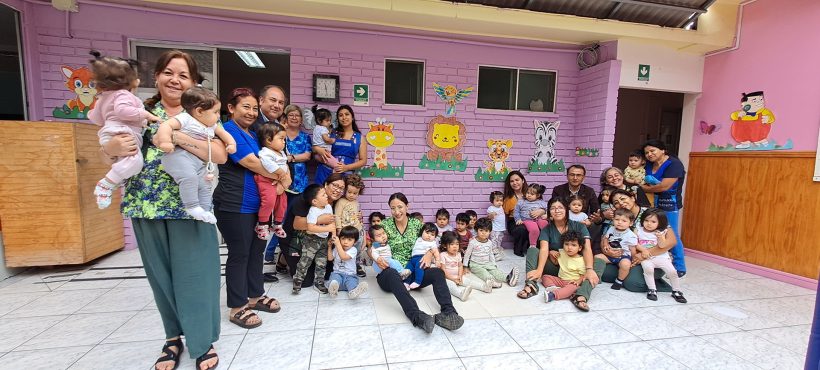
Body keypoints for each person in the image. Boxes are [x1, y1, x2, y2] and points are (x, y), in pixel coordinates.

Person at [104, 50, 222, 370]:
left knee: (198, 277)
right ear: (156, 76)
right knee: (162, 278)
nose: (175, 80)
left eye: (184, 75)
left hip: (192, 206)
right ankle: (173, 338)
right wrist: (112, 148)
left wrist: (176, 134)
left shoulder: (202, 113)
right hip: (148, 204)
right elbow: (113, 151)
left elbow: (221, 154)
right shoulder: (137, 112)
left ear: (194, 83)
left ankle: (201, 340)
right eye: (169, 72)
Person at [213, 87, 281, 332]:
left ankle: (255, 296)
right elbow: (251, 162)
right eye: (246, 107)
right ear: (231, 108)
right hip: (234, 204)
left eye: (254, 108)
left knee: (256, 251)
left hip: (255, 206)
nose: (252, 112)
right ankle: (236, 306)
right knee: (240, 253)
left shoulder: (252, 134)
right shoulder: (229, 130)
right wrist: (281, 176)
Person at [379, 193, 464, 333]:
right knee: (391, 273)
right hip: (392, 273)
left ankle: (449, 313)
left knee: (437, 272)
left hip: (415, 271)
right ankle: (418, 317)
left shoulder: (417, 224)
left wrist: (429, 254)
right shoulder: (385, 225)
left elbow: (431, 241)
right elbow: (372, 247)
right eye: (392, 208)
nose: (397, 211)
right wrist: (375, 257)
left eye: (400, 207)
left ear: (407, 206)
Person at [88, 51, 160, 209]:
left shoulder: (104, 97)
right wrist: (145, 115)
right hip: (121, 133)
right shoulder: (123, 95)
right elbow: (122, 111)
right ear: (134, 82)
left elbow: (96, 118)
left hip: (109, 131)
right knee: (134, 163)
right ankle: (106, 185)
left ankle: (110, 184)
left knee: (127, 164)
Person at [156, 87, 237, 224]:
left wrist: (231, 144)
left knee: (204, 184)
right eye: (215, 112)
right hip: (178, 156)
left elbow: (225, 135)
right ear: (199, 111)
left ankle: (205, 210)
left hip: (198, 161)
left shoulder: (211, 124)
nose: (218, 116)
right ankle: (192, 206)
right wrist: (164, 141)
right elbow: (165, 126)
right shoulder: (185, 119)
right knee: (189, 178)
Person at [518, 197, 602, 312]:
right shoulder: (547, 229)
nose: (557, 211)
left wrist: (589, 269)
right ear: (549, 212)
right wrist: (539, 270)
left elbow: (587, 248)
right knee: (533, 250)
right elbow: (543, 249)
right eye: (553, 208)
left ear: (566, 209)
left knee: (599, 263)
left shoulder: (579, 226)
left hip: (576, 269)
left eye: (560, 207)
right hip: (556, 266)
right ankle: (531, 285)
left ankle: (580, 295)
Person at [264, 104, 312, 276]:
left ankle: (283, 255)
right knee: (281, 220)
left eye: (297, 115)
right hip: (281, 183)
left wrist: (289, 158)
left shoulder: (305, 137)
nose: (294, 118)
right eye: (291, 115)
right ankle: (270, 253)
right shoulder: (279, 133)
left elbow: (307, 156)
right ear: (286, 117)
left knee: (293, 222)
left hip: (300, 183)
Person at [604, 189, 674, 293]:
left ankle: (657, 284)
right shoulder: (618, 216)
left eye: (623, 198)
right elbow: (605, 237)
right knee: (604, 274)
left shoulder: (650, 213)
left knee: (633, 284)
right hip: (626, 257)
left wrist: (642, 255)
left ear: (633, 198)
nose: (621, 203)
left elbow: (671, 241)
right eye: (616, 202)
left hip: (653, 257)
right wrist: (607, 250)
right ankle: (631, 275)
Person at [282, 175, 347, 286]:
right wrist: (320, 219)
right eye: (335, 185)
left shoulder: (337, 203)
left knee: (327, 275)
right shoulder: (307, 198)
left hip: (319, 241)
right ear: (326, 184)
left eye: (342, 188)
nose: (338, 190)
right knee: (306, 282)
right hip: (295, 240)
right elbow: (296, 224)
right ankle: (282, 258)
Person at [640, 139, 688, 277]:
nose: (649, 154)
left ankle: (680, 266)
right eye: (647, 152)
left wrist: (642, 188)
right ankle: (657, 260)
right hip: (652, 202)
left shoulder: (674, 164)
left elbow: (664, 186)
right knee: (651, 231)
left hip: (669, 204)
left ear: (663, 150)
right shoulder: (648, 163)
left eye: (652, 151)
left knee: (671, 233)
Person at [635, 208, 687, 303]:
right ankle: (652, 289)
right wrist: (643, 250)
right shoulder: (639, 230)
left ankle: (676, 291)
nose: (649, 224)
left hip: (662, 257)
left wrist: (660, 238)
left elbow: (662, 246)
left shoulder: (662, 232)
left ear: (660, 222)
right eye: (646, 220)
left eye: (653, 221)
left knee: (672, 271)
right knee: (648, 270)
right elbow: (634, 243)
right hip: (647, 258)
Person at [292, 184, 336, 294]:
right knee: (305, 261)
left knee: (322, 263)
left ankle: (319, 282)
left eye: (326, 194)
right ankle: (298, 280)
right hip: (311, 240)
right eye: (323, 195)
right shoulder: (313, 211)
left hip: (324, 241)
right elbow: (311, 227)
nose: (327, 196)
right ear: (315, 201)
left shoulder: (328, 207)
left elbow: (332, 222)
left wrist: (333, 234)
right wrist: (327, 228)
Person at [253, 123, 291, 240]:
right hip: (266, 181)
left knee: (283, 202)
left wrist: (283, 178)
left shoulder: (281, 153)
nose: (284, 142)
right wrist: (281, 173)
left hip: (279, 181)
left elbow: (285, 165)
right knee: (269, 201)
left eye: (284, 139)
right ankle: (262, 224)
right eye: (281, 138)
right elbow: (268, 164)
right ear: (269, 140)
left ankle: (278, 223)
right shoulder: (266, 152)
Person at [313, 105, 367, 185]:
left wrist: (346, 167)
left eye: (347, 114)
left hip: (346, 176)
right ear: (338, 119)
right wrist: (318, 150)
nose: (344, 117)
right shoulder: (330, 133)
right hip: (325, 173)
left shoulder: (360, 138)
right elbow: (314, 148)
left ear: (352, 117)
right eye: (340, 115)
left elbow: (363, 161)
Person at [464, 217, 519, 288]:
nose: (483, 233)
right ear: (476, 230)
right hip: (475, 265)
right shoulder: (473, 242)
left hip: (487, 263)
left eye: (486, 231)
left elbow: (491, 254)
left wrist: (494, 264)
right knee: (484, 273)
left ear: (490, 232)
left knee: (496, 271)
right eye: (481, 230)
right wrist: (465, 266)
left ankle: (508, 278)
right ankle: (491, 281)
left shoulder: (489, 243)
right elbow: (467, 255)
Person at [439, 231, 487, 301]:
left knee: (469, 281)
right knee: (450, 286)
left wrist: (460, 276)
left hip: (457, 276)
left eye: (457, 244)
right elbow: (443, 270)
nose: (455, 246)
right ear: (444, 245)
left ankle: (483, 287)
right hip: (447, 277)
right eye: (452, 244)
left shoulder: (458, 254)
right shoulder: (443, 255)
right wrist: (452, 279)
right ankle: (460, 294)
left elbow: (460, 266)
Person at [335, 174, 367, 277]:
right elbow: (337, 216)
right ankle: (342, 266)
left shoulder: (356, 202)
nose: (352, 195)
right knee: (346, 249)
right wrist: (339, 229)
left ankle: (356, 265)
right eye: (349, 192)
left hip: (357, 231)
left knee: (357, 250)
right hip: (346, 232)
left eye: (355, 193)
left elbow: (357, 216)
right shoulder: (341, 201)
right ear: (345, 190)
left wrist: (360, 217)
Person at [541, 231, 586, 304]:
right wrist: (551, 253)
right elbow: (556, 262)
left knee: (573, 288)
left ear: (580, 248)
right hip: (560, 280)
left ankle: (553, 295)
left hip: (572, 282)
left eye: (573, 245)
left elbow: (583, 275)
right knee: (545, 277)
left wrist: (578, 282)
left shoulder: (581, 260)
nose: (569, 247)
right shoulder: (562, 253)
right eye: (566, 244)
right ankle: (552, 287)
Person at [600, 208, 638, 290]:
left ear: (630, 223)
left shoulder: (631, 235)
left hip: (623, 256)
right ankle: (596, 275)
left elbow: (633, 249)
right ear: (613, 219)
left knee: (625, 265)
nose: (619, 222)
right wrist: (606, 245)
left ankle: (619, 281)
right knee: (597, 257)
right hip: (609, 255)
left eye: (624, 221)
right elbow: (606, 238)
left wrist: (633, 260)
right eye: (617, 219)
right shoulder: (611, 228)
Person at [327, 226, 369, 298]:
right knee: (334, 280)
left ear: (355, 242)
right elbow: (330, 258)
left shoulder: (353, 250)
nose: (345, 242)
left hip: (350, 275)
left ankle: (353, 292)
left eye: (349, 240)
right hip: (338, 274)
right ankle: (333, 290)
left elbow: (344, 257)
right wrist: (330, 246)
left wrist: (337, 244)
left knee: (352, 282)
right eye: (343, 239)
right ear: (339, 239)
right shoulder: (336, 249)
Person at [502, 171, 533, 257]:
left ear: (522, 180)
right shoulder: (509, 199)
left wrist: (541, 211)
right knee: (521, 229)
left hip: (531, 219)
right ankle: (518, 249)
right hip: (515, 221)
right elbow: (506, 214)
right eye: (512, 181)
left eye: (517, 180)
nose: (515, 183)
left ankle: (533, 249)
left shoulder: (531, 194)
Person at [404, 222, 441, 290]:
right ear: (422, 232)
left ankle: (417, 281)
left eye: (432, 234)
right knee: (408, 269)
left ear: (435, 237)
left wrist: (438, 260)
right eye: (427, 233)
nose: (429, 236)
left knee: (419, 267)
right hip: (413, 259)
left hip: (422, 258)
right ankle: (406, 283)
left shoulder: (432, 243)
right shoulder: (419, 238)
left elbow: (436, 252)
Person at [513, 183, 549, 249]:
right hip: (527, 220)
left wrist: (546, 215)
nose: (529, 195)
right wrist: (518, 219)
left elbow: (548, 209)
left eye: (532, 194)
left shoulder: (541, 202)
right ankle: (532, 245)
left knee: (545, 224)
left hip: (539, 219)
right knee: (535, 229)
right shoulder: (521, 202)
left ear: (538, 195)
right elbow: (516, 211)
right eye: (528, 193)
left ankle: (546, 241)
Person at [486, 191, 507, 260]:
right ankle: (494, 251)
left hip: (501, 228)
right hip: (494, 228)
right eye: (497, 200)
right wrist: (492, 214)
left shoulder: (501, 207)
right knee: (494, 239)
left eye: (501, 200)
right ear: (492, 201)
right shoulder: (491, 208)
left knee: (499, 239)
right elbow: (488, 217)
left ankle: (498, 248)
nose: (499, 202)